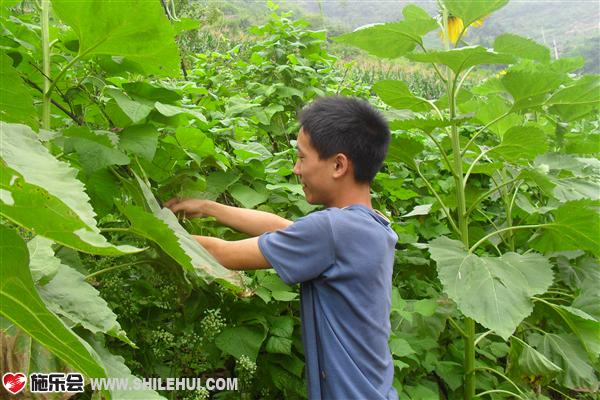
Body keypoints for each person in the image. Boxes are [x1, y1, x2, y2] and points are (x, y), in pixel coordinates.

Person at [165, 96, 398, 400]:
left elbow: (223, 254)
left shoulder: (332, 230)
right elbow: (283, 228)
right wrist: (208, 207)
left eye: (302, 157)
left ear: (339, 164)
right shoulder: (369, 224)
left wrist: (155, 229)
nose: (296, 168)